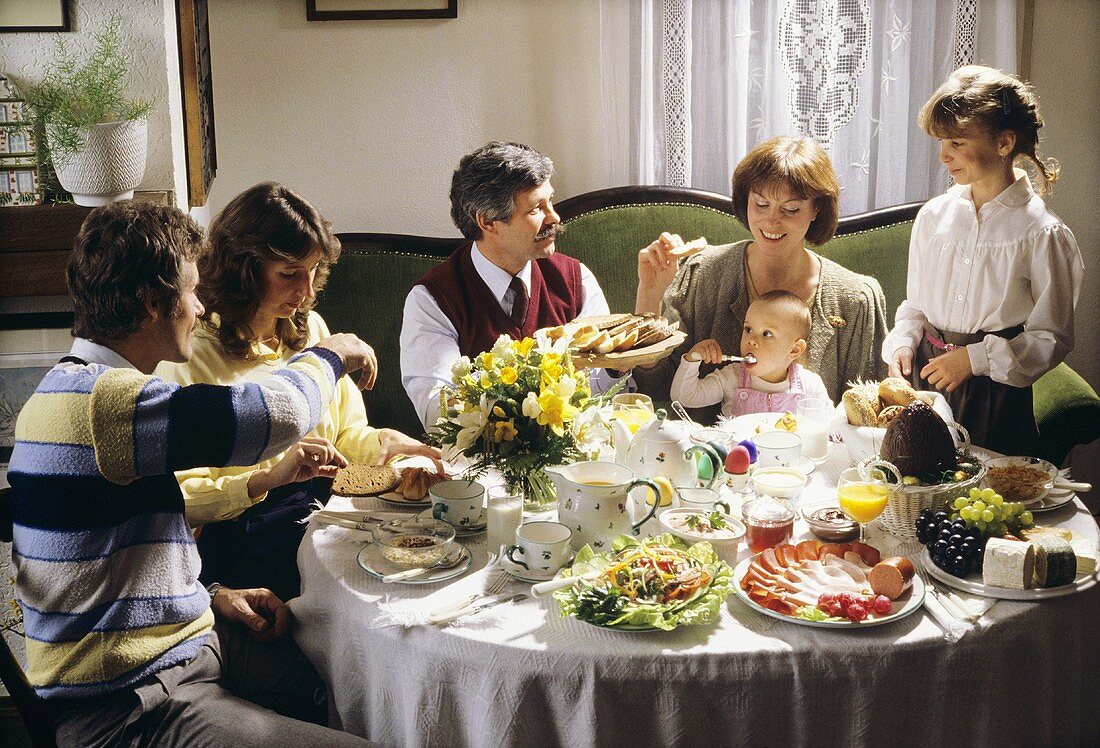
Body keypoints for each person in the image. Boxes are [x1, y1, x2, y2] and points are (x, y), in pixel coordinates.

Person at [7, 201, 375, 747]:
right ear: (155, 304)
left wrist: (213, 594)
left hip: (186, 644)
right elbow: (274, 416)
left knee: (359, 686)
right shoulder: (103, 404)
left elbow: (126, 556)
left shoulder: (87, 391)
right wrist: (331, 352)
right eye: (190, 292)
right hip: (131, 704)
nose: (201, 309)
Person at [157, 182, 440, 601]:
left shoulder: (314, 331)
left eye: (313, 273)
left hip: (324, 517)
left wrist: (384, 443)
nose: (306, 292)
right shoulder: (190, 353)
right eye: (289, 275)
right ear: (242, 269)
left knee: (424, 566)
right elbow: (179, 497)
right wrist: (268, 478)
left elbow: (344, 440)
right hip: (247, 537)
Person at [883, 65, 1083, 456]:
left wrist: (974, 360)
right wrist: (904, 343)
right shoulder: (935, 216)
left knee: (984, 495)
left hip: (996, 394)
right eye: (941, 142)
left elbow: (1051, 338)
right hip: (928, 381)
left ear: (1004, 142)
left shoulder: (1041, 233)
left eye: (956, 143)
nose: (943, 156)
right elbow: (916, 306)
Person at [633, 135, 888, 414]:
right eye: (761, 204)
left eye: (791, 209)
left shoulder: (856, 299)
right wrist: (650, 293)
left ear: (817, 209)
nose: (772, 221)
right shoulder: (702, 273)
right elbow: (655, 390)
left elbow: (870, 416)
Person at [400, 141, 628, 431]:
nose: (554, 217)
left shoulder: (575, 279)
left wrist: (615, 366)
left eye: (550, 201)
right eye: (536, 209)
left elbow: (600, 391)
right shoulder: (433, 300)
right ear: (488, 222)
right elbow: (439, 413)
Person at [671, 290, 831, 417]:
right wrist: (692, 359)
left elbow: (828, 426)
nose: (751, 340)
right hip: (738, 457)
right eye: (748, 329)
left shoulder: (810, 385)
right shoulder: (732, 377)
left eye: (767, 334)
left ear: (794, 350)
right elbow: (684, 397)